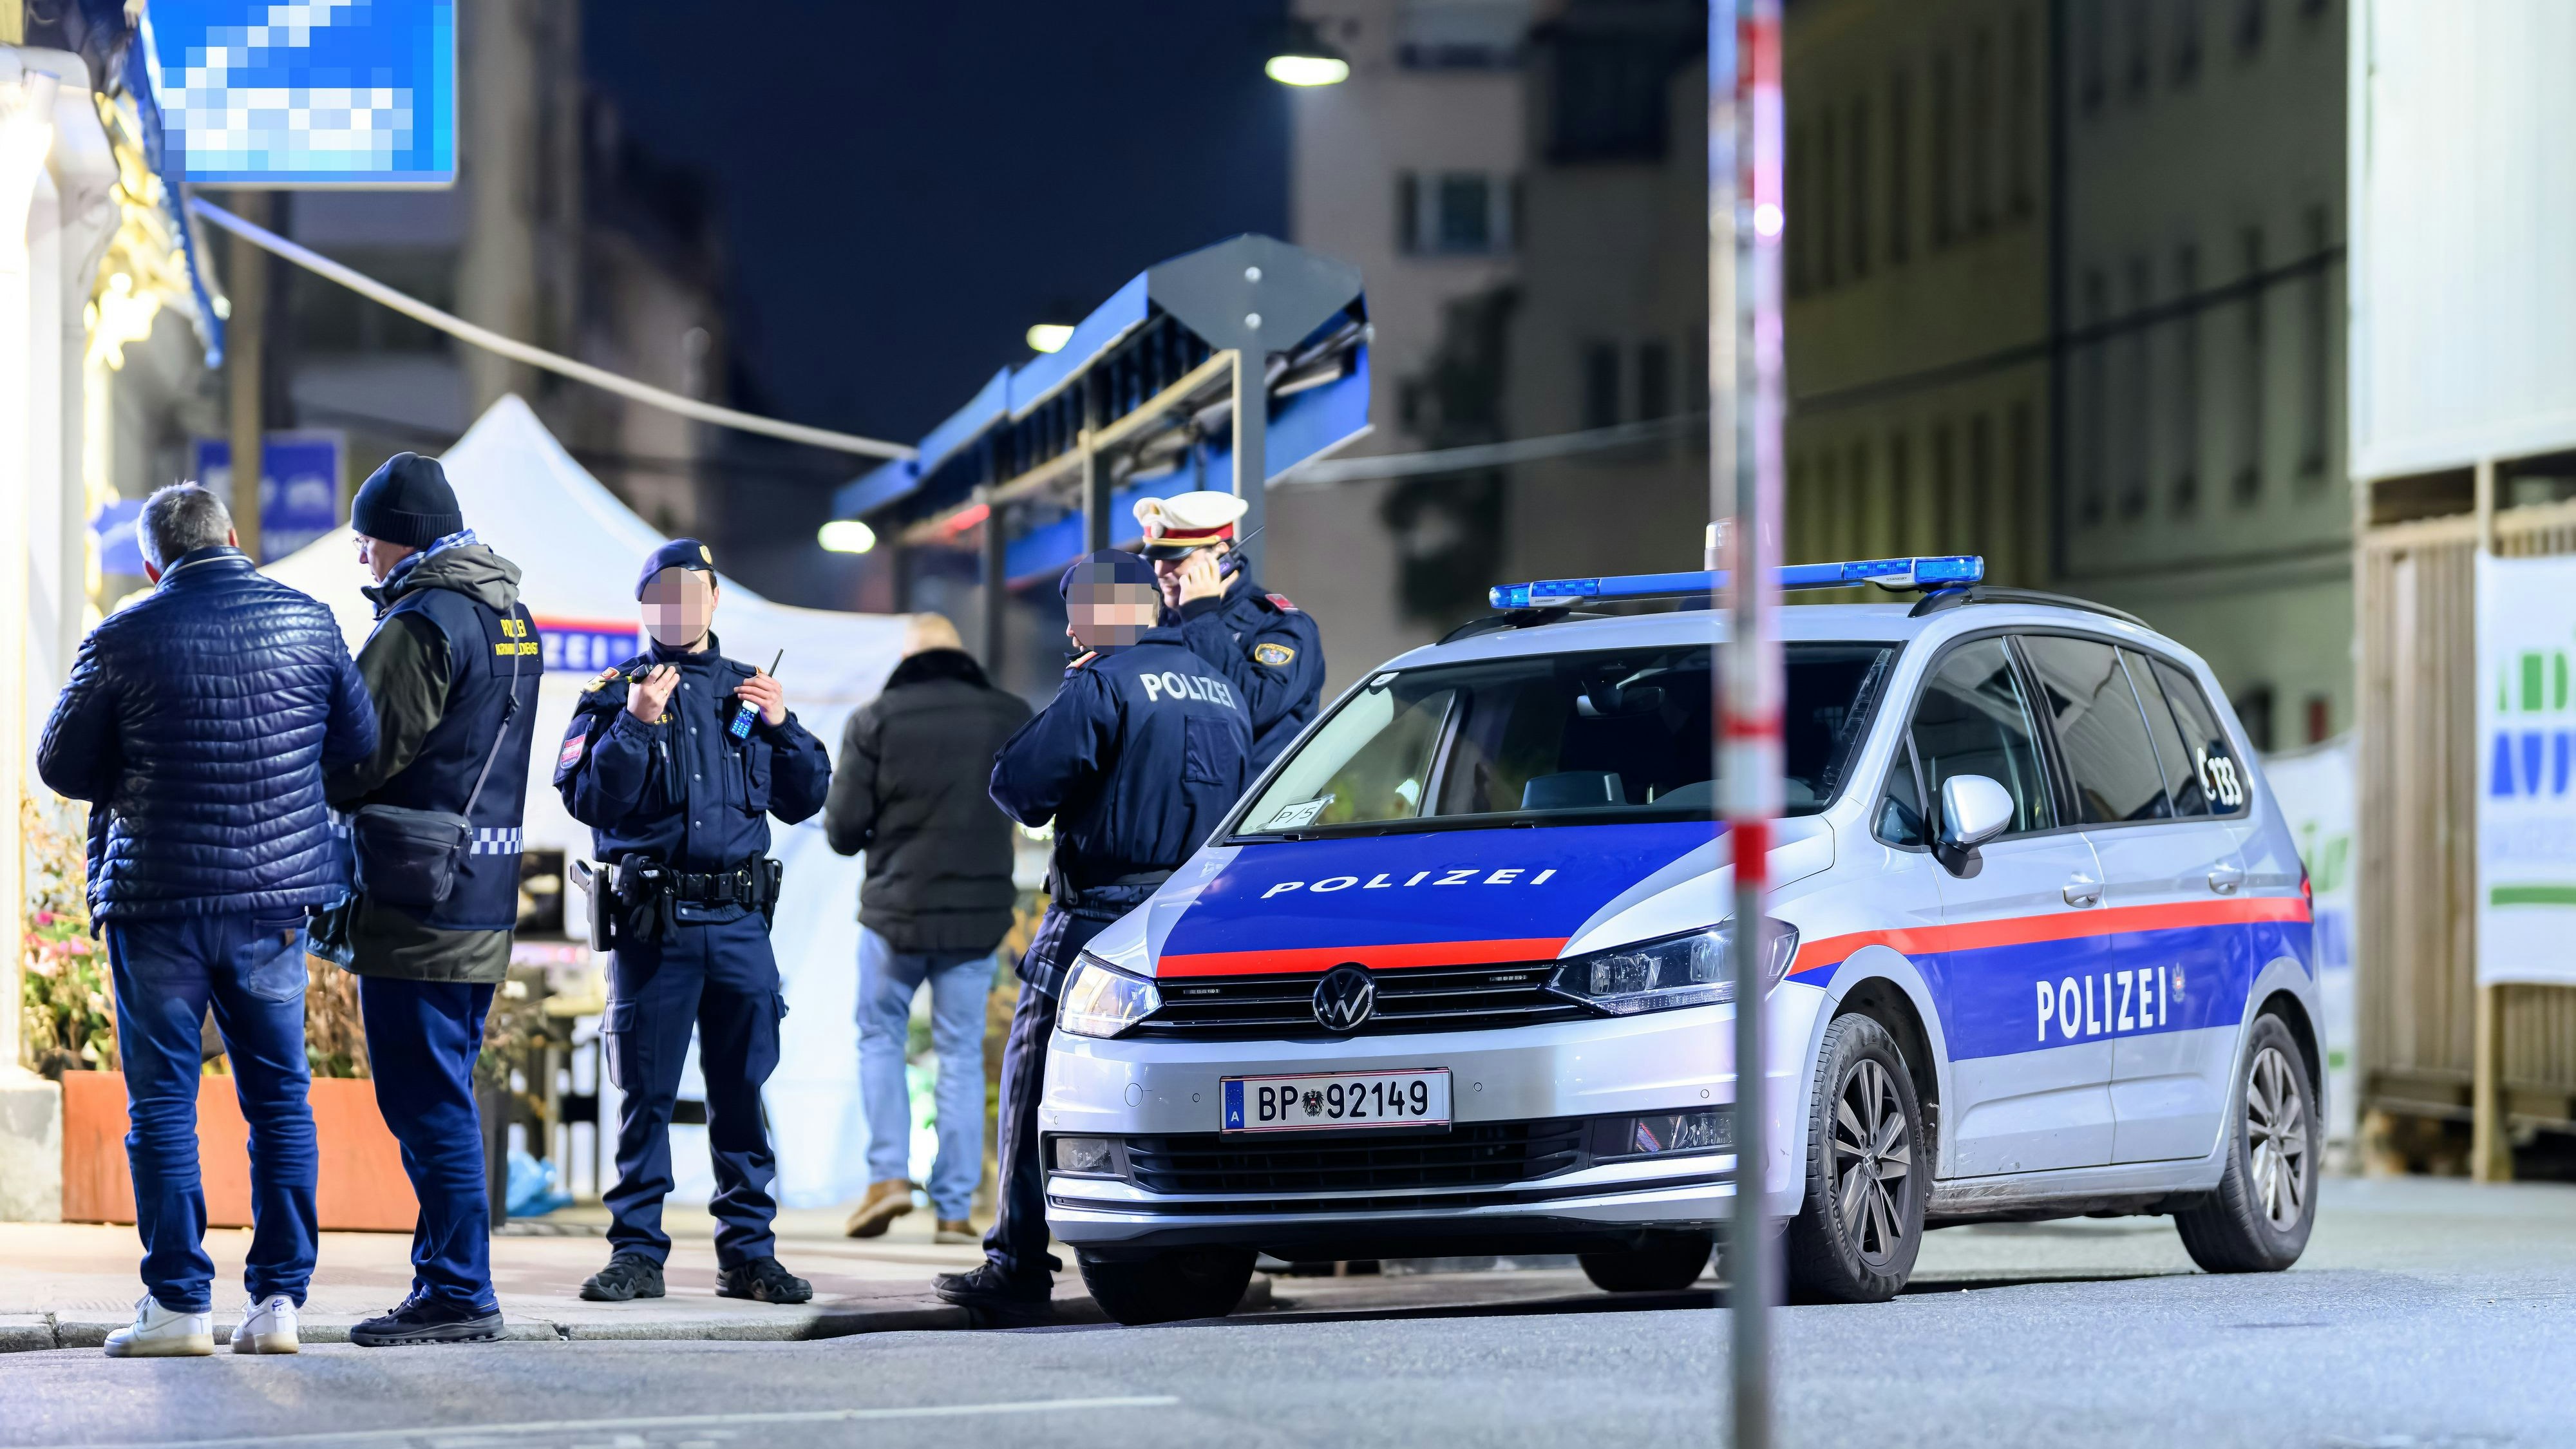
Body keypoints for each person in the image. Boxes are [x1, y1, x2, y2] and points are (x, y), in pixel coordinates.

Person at [37, 483, 377, 1358]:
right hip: (271, 903)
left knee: (162, 1105)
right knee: (281, 1102)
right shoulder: (309, 620)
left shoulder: (124, 633)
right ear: (234, 535)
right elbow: (359, 741)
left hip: (156, 904)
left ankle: (180, 1305)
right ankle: (277, 1306)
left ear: (154, 561)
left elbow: (62, 762)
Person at [933, 551, 1251, 1324]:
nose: (1070, 627)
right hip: (1204, 922)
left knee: (1033, 1073)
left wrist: (1080, 690)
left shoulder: (1105, 682)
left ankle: (1016, 1262)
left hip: (1100, 918)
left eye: (1076, 610)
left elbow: (1020, 785)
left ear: (1104, 612)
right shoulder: (1222, 690)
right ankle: (1196, 1252)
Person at [556, 539, 832, 1306]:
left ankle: (749, 1254)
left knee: (743, 1094)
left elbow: (805, 796)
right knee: (644, 1097)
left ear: (714, 601)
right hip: (656, 925)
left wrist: (782, 726)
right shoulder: (616, 694)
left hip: (741, 924)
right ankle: (636, 1254)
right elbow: (588, 802)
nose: (677, 606)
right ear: (645, 607)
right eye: (661, 594)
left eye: (691, 591)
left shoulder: (752, 691)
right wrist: (637, 725)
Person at [321, 453, 544, 1348]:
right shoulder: (509, 614)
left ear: (392, 538)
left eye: (365, 543)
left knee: (428, 1102)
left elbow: (361, 756)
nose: (363, 560)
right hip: (479, 891)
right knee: (443, 1089)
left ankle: (458, 1288)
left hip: (417, 900)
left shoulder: (424, 623)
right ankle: (447, 1279)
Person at [822, 614, 1031, 1244]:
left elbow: (840, 831)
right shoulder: (1010, 714)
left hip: (895, 914)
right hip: (976, 916)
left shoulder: (876, 718)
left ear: (909, 657)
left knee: (880, 1038)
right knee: (961, 1055)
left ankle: (887, 1177)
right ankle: (954, 1206)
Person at [1136, 490, 1326, 772]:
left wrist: (1201, 617)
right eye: (1156, 557)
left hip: (1251, 810)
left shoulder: (1281, 626)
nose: (1161, 570)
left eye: (1176, 557)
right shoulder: (1164, 623)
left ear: (1221, 558)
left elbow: (1252, 707)